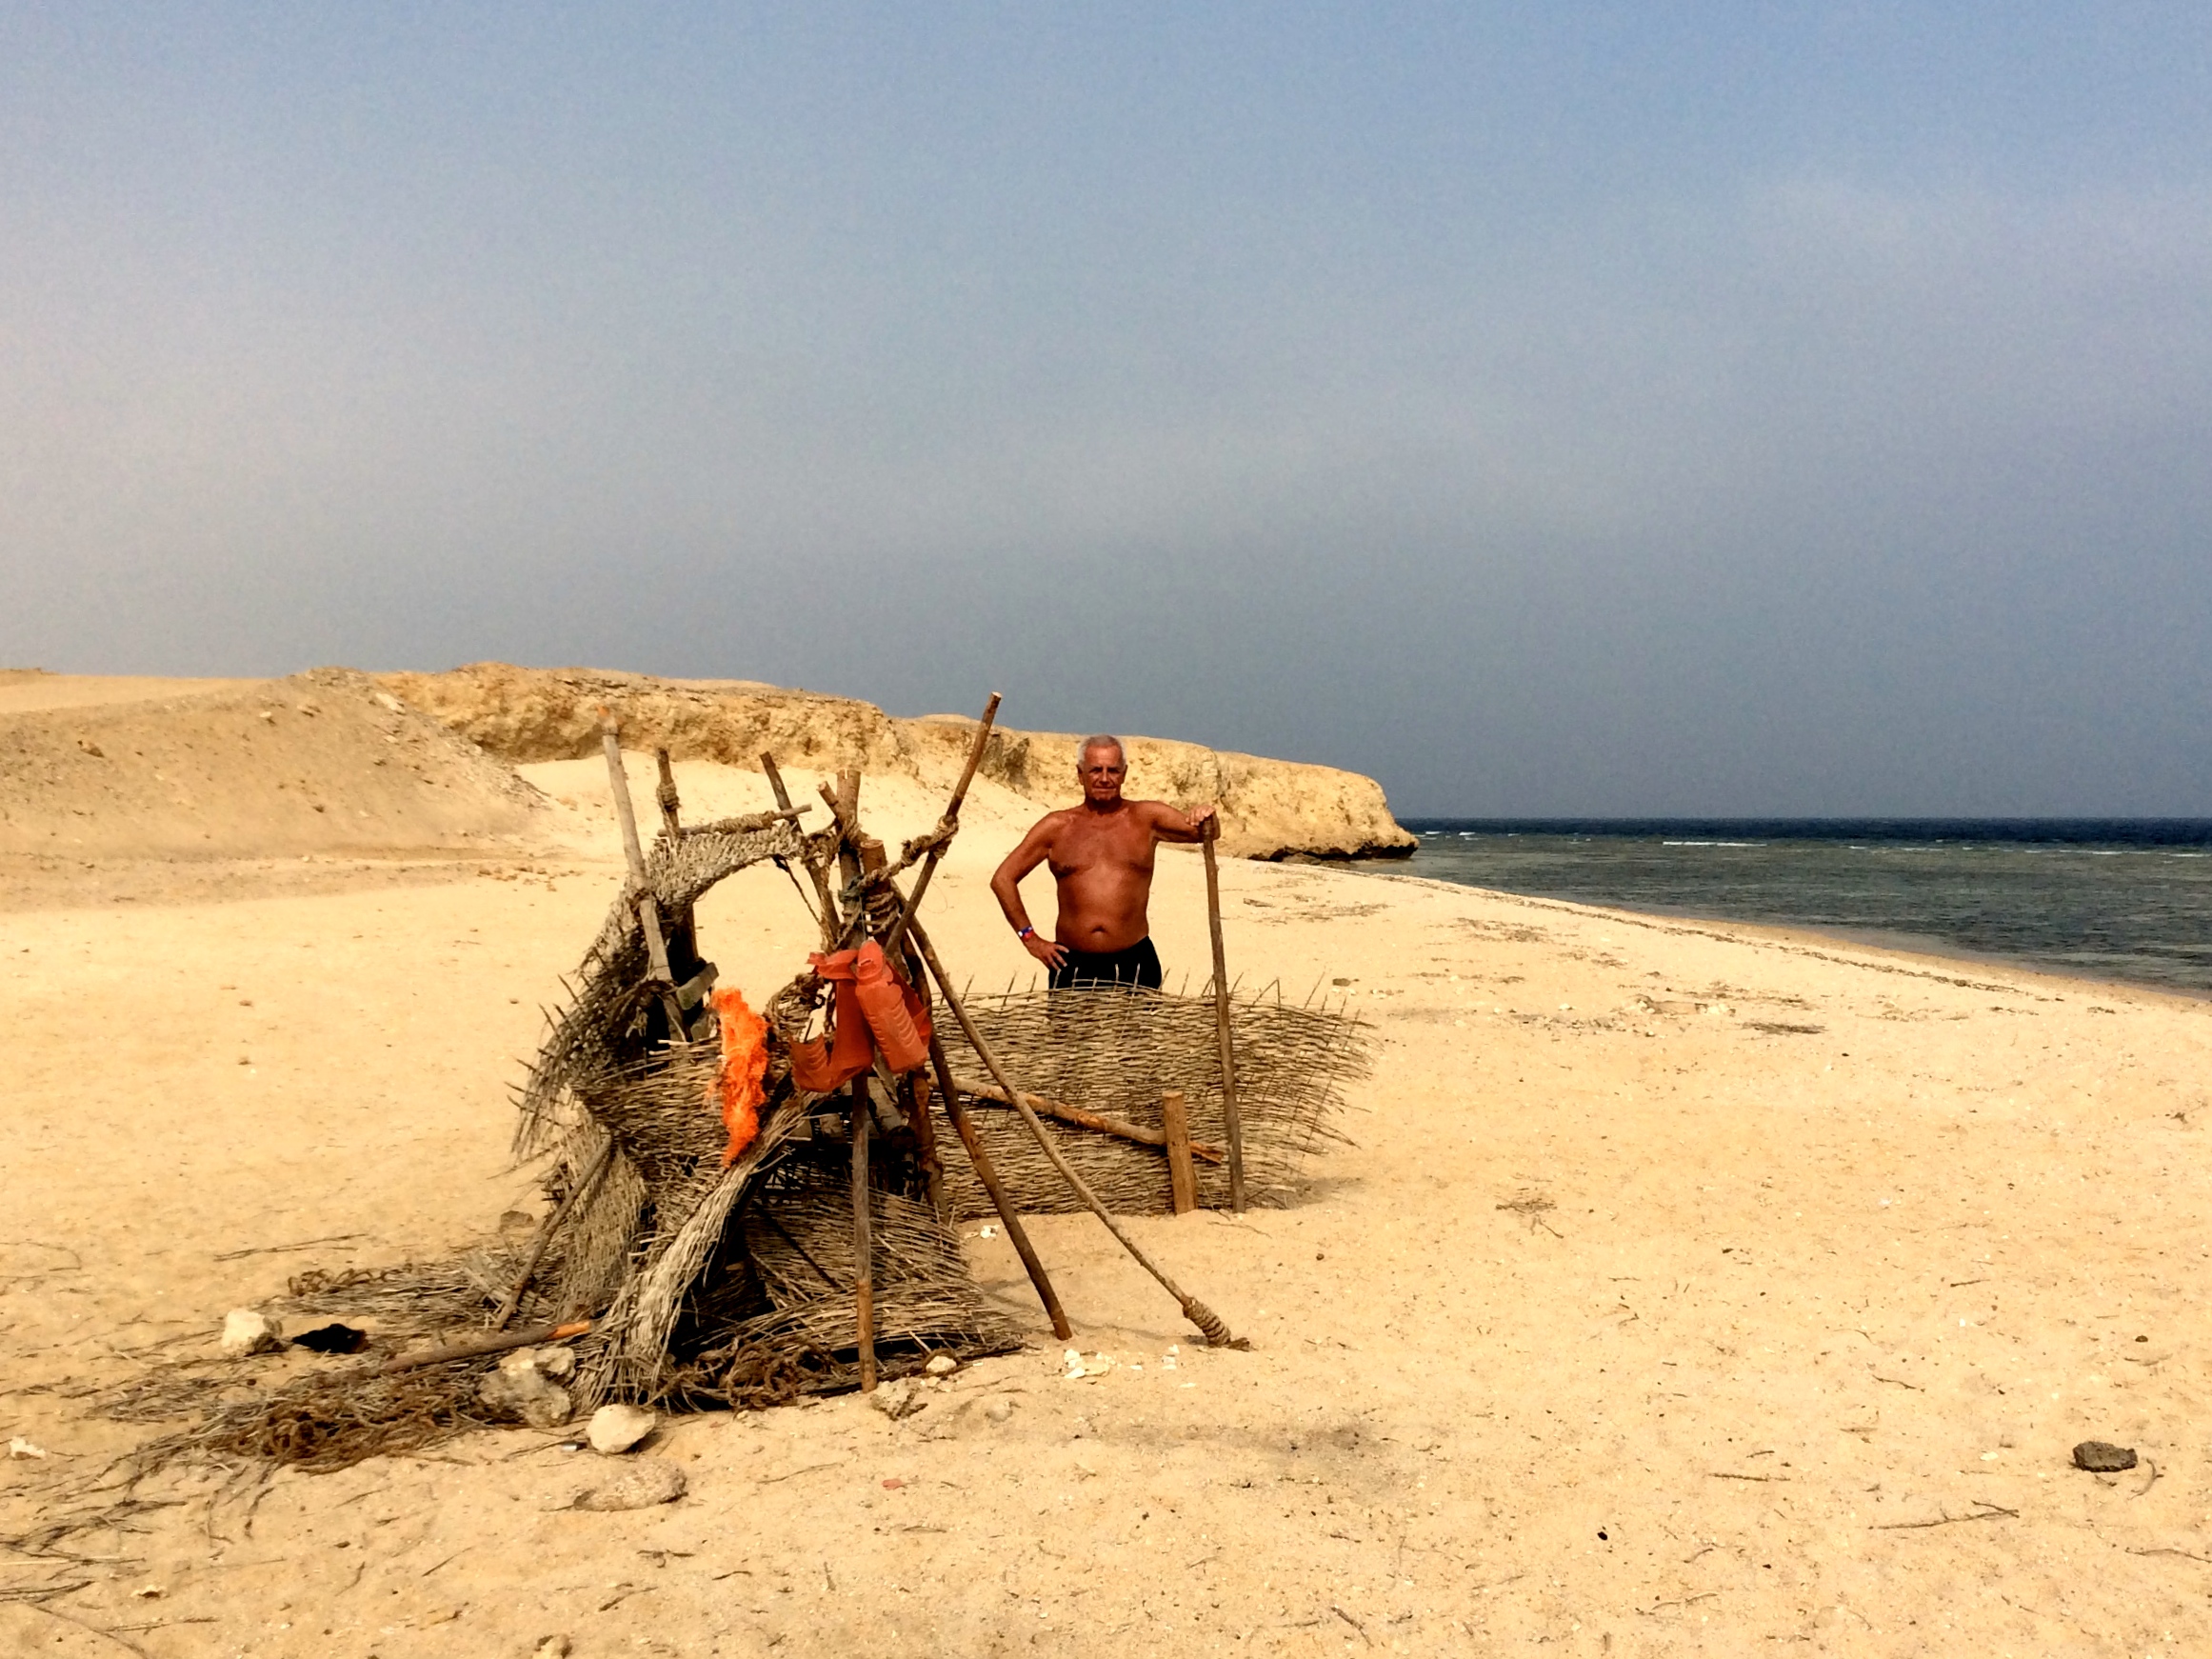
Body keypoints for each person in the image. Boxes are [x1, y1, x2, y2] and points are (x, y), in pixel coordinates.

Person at [989, 734, 1217, 990]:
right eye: (1096, 770)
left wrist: (1206, 815)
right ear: (1080, 774)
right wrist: (1030, 939)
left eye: (1113, 770)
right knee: (1069, 1021)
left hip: (1134, 960)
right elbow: (1003, 879)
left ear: (1124, 774)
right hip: (1071, 962)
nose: (1105, 778)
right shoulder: (1057, 827)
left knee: (1138, 1020)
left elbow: (1206, 833)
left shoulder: (1146, 818)